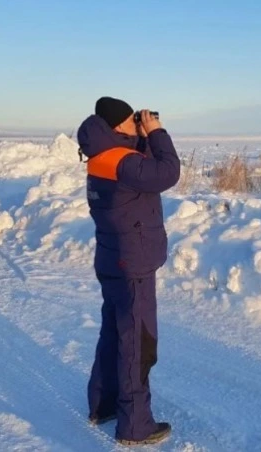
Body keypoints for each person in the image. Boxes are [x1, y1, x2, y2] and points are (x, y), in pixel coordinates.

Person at [76, 96, 180, 446]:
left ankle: (103, 405)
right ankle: (135, 426)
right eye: (132, 120)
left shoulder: (104, 156)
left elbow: (142, 171)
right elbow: (168, 172)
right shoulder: (121, 161)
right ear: (118, 125)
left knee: (114, 334)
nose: (138, 123)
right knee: (137, 341)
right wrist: (158, 132)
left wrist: (144, 137)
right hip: (131, 262)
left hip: (113, 259)